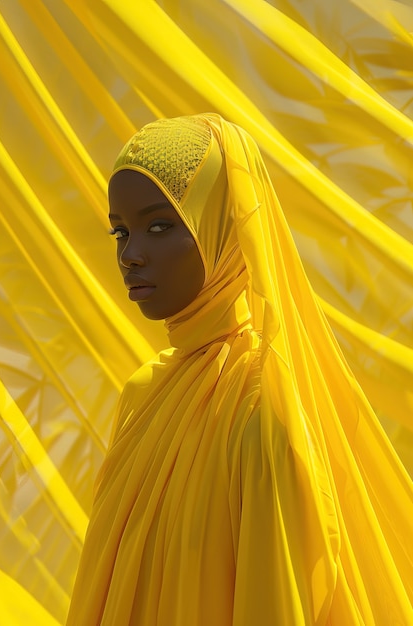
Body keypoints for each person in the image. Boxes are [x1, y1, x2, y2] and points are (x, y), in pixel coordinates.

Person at [66, 113, 413, 625]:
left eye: (160, 226)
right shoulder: (144, 394)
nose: (130, 255)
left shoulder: (262, 409)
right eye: (120, 232)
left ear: (225, 229)